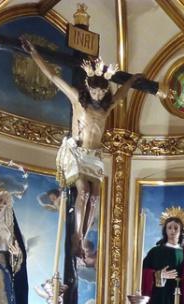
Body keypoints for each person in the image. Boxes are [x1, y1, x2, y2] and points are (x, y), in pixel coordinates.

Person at [21, 37, 141, 259]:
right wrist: (35, 54)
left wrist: (132, 79)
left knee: (95, 197)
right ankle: (76, 235)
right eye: (95, 91)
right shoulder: (78, 99)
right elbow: (54, 77)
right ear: (88, 87)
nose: (98, 95)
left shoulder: (106, 106)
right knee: (83, 192)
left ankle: (83, 237)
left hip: (95, 155)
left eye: (102, 92)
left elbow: (122, 93)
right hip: (78, 152)